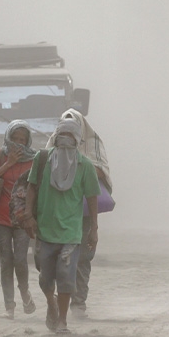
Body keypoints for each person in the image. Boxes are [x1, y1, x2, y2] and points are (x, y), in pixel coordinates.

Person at [20, 118, 100, 334]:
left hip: (71, 234)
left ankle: (62, 321)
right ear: (55, 139)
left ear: (77, 141)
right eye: (61, 136)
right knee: (45, 278)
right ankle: (51, 303)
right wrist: (28, 214)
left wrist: (94, 229)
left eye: (70, 137)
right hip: (44, 231)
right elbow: (32, 187)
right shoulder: (42, 158)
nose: (65, 140)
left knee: (66, 277)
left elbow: (92, 198)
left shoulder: (86, 166)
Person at [45, 108, 112, 318]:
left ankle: (78, 303)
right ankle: (58, 301)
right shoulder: (47, 154)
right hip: (57, 214)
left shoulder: (91, 144)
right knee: (54, 259)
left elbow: (101, 172)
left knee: (82, 257)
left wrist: (77, 162)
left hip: (81, 214)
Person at [0, 120, 38, 319]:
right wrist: (8, 164)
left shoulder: (34, 160)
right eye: (14, 139)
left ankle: (25, 293)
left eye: (22, 140)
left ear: (28, 141)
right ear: (8, 137)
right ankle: (9, 306)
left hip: (23, 218)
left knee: (20, 260)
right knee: (6, 260)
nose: (18, 143)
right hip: (0, 217)